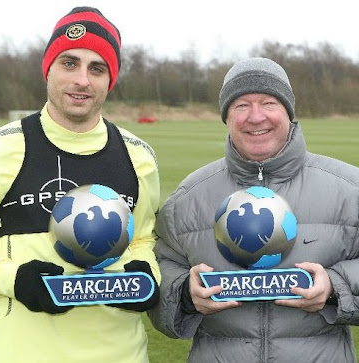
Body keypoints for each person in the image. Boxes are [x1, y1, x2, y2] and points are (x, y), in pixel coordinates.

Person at [0, 6, 160, 363]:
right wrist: (12, 279)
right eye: (70, 63)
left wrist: (147, 274)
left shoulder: (138, 156)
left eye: (96, 68)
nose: (82, 80)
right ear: (48, 69)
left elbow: (144, 239)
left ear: (109, 79)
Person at [148, 57, 359, 362]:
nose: (256, 117)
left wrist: (335, 286)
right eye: (241, 105)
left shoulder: (349, 188)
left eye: (269, 103)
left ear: (288, 112)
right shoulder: (188, 198)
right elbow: (158, 268)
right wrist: (184, 293)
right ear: (226, 116)